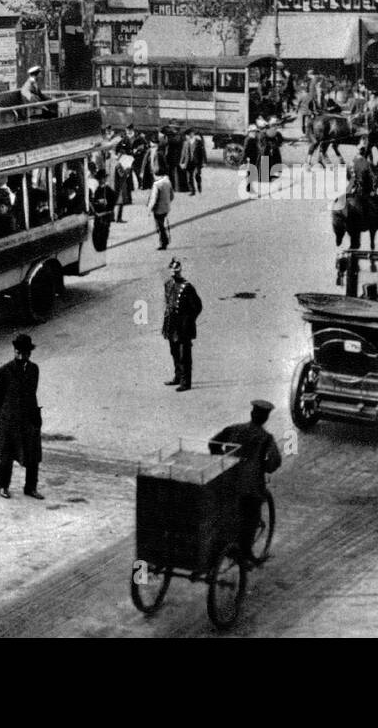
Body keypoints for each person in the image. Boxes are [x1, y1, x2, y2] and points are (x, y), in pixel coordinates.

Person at [209, 399, 282, 566]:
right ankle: (246, 552)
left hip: (225, 481)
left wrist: (221, 459)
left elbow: (213, 443)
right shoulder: (266, 438)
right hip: (248, 487)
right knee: (252, 515)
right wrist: (263, 467)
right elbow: (274, 462)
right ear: (265, 419)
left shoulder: (233, 429)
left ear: (251, 414)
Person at [0, 334, 44, 499]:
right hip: (10, 420)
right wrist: (0, 415)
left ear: (30, 353)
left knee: (33, 455)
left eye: (25, 353)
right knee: (6, 455)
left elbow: (31, 393)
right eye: (18, 352)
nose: (21, 356)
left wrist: (34, 415)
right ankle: (3, 486)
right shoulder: (4, 370)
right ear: (14, 351)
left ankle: (30, 488)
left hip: (29, 417)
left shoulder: (34, 369)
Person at [162, 257, 202, 392]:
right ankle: (178, 377)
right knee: (174, 351)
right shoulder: (167, 284)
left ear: (181, 271)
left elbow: (197, 306)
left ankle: (186, 382)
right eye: (172, 270)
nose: (174, 273)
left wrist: (188, 321)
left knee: (184, 354)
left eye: (177, 270)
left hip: (184, 326)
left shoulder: (187, 287)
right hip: (171, 323)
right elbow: (168, 302)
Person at [147, 166, 174, 250]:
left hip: (158, 209)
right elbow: (172, 195)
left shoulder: (157, 184)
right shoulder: (168, 182)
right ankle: (164, 241)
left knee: (159, 226)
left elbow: (154, 198)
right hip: (166, 207)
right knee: (162, 224)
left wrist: (149, 209)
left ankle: (163, 242)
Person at [90, 169, 116, 252]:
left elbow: (112, 201)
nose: (101, 180)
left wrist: (108, 207)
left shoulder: (108, 190)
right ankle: (99, 248)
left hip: (105, 215)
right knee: (96, 232)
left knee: (104, 232)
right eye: (100, 179)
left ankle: (102, 248)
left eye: (103, 178)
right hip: (98, 214)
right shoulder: (97, 190)